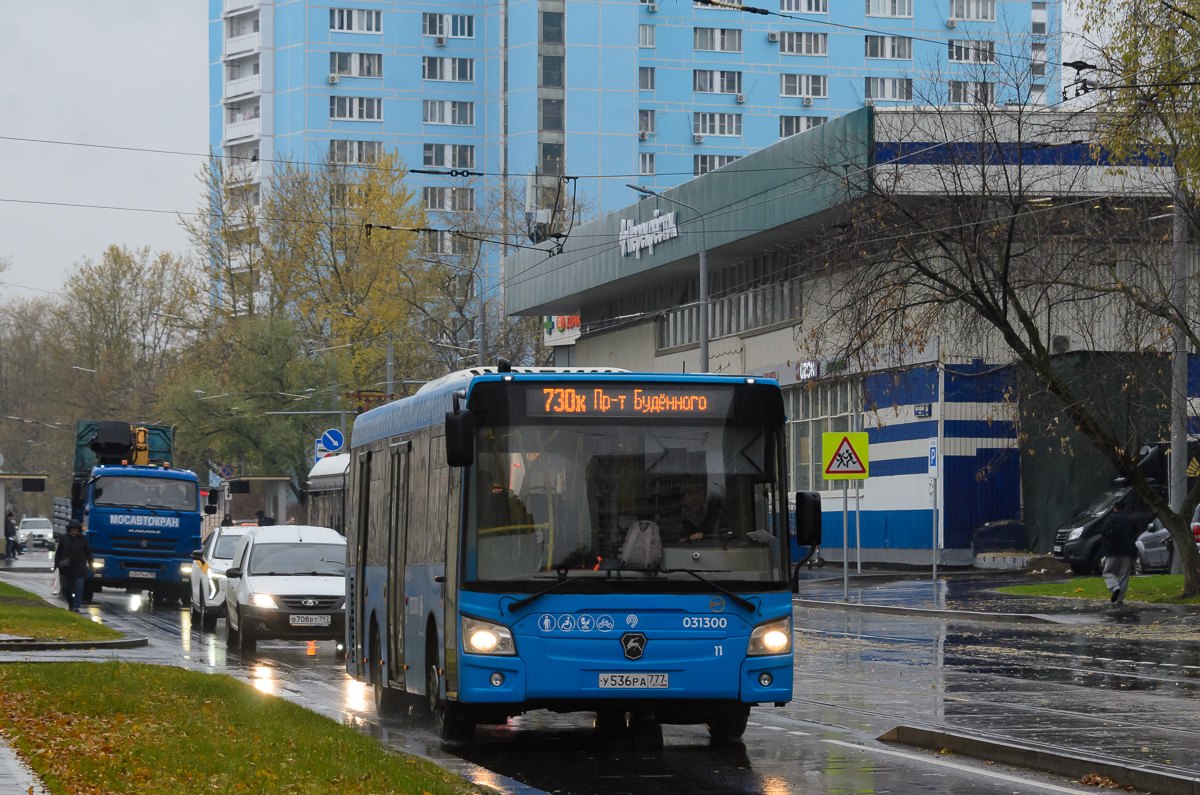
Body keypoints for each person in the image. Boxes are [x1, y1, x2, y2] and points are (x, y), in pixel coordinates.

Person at [1100, 500, 1140, 607]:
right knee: (1124, 576)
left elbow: (1103, 532)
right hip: (1127, 552)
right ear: (1125, 509)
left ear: (1115, 509)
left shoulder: (1111, 518)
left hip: (1112, 551)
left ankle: (1114, 587)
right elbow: (1135, 532)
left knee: (1108, 572)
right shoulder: (1131, 519)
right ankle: (1120, 600)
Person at [54, 519, 93, 612]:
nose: (74, 530)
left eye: (76, 529)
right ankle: (70, 603)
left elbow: (88, 552)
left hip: (80, 568)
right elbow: (58, 553)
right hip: (66, 569)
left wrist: (91, 564)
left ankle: (76, 605)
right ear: (69, 529)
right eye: (72, 528)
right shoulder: (64, 538)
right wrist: (56, 565)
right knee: (67, 588)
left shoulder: (83, 538)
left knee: (79, 588)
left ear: (79, 529)